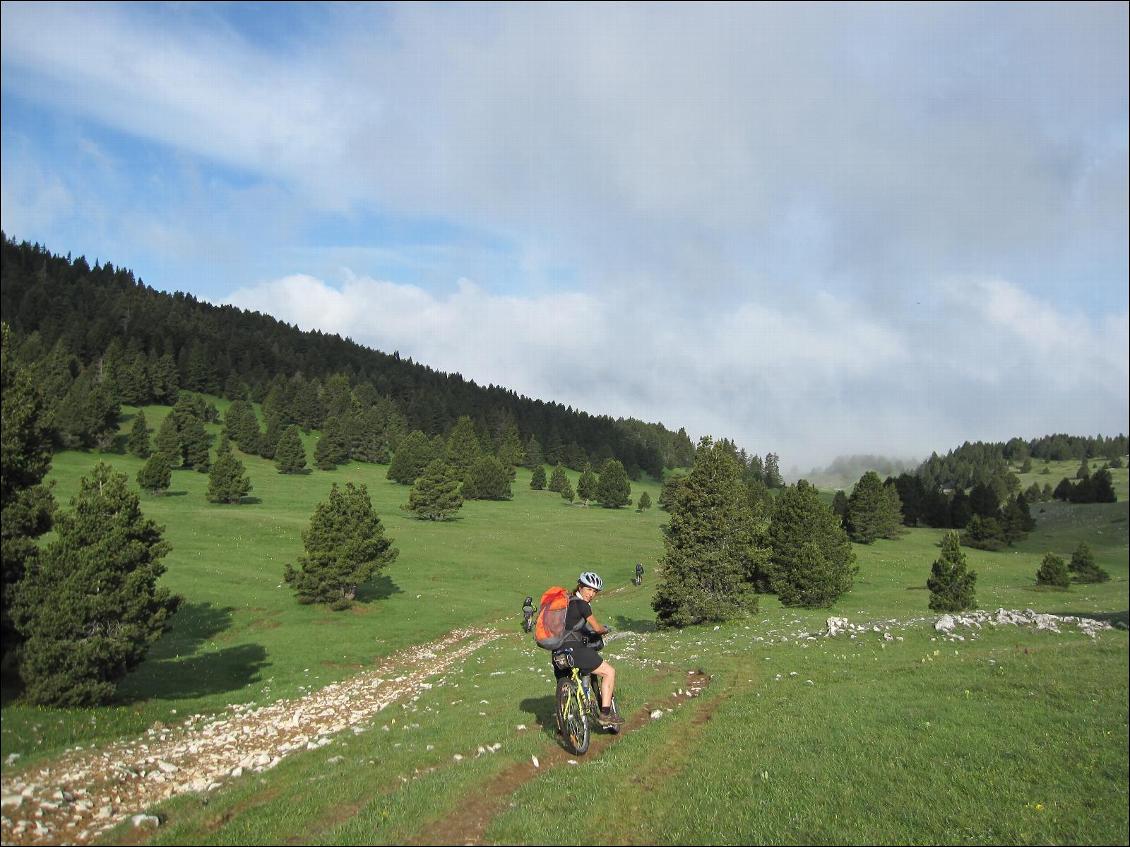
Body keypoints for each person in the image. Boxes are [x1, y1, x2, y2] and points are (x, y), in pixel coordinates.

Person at [557, 571, 623, 726]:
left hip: (558, 651)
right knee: (609, 672)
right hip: (575, 649)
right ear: (580, 587)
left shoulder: (565, 603)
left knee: (564, 688)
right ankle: (605, 715)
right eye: (588, 589)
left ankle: (562, 727)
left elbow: (570, 626)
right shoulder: (582, 605)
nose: (591, 594)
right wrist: (604, 630)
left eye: (595, 591)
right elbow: (597, 628)